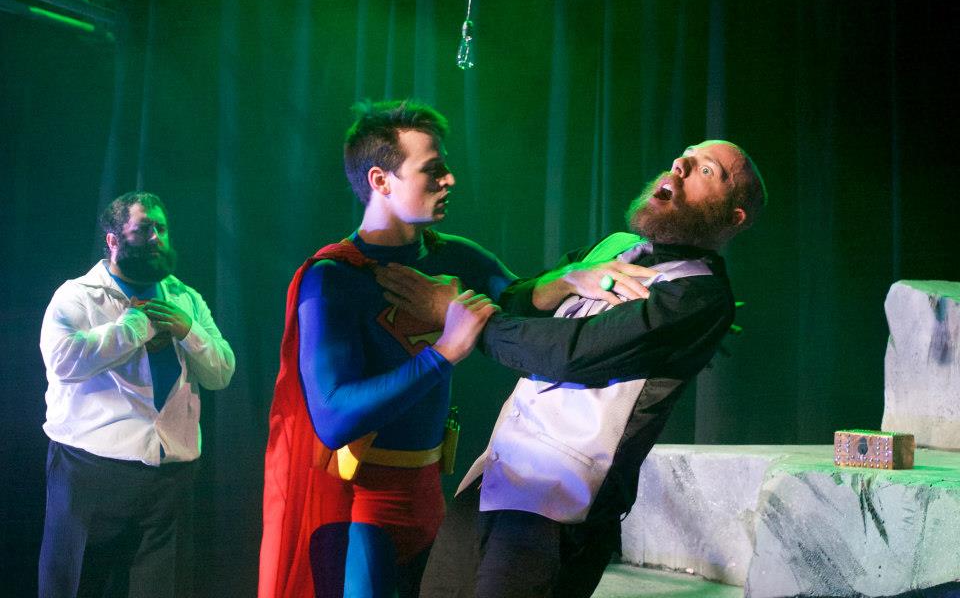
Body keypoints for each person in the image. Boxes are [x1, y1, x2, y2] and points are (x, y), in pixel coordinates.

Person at [380, 140, 766, 598]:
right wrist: (565, 279)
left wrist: (461, 320)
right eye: (686, 155)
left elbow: (570, 353)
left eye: (706, 170)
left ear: (733, 216)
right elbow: (519, 303)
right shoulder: (614, 247)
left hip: (558, 511)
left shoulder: (698, 294)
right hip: (495, 477)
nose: (679, 164)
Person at [258, 100, 513, 598]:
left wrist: (577, 275)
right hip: (361, 511)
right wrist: (444, 353)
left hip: (430, 498)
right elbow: (334, 416)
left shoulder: (455, 256)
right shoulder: (332, 278)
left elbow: (524, 299)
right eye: (432, 170)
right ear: (381, 180)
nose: (449, 180)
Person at [38, 191, 236, 598]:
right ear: (113, 239)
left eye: (162, 228)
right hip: (91, 472)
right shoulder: (77, 295)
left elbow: (221, 372)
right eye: (144, 229)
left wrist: (188, 331)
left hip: (169, 477)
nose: (157, 238)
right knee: (77, 585)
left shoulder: (185, 298)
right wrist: (134, 327)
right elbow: (63, 362)